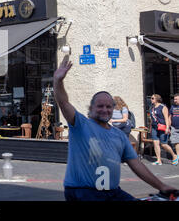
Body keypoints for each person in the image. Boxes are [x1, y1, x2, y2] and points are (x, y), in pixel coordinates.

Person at [53, 57, 177, 201]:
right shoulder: (80, 124)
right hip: (83, 192)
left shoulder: (119, 136)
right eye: (100, 106)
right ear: (91, 108)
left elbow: (136, 164)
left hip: (112, 192)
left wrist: (161, 186)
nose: (104, 110)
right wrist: (58, 81)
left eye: (108, 106)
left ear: (113, 109)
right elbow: (63, 102)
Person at [150, 94, 177, 166]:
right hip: (154, 127)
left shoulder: (163, 107)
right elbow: (152, 119)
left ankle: (174, 155)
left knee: (164, 144)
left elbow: (166, 118)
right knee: (155, 143)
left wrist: (167, 127)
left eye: (152, 98)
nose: (151, 99)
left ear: (157, 99)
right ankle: (158, 160)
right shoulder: (152, 108)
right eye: (151, 98)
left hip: (163, 126)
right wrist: (150, 128)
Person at [168, 93, 179, 166]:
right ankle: (178, 156)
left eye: (176, 99)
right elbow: (169, 116)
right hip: (174, 127)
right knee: (176, 142)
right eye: (174, 99)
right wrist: (168, 126)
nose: (175, 100)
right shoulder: (172, 107)